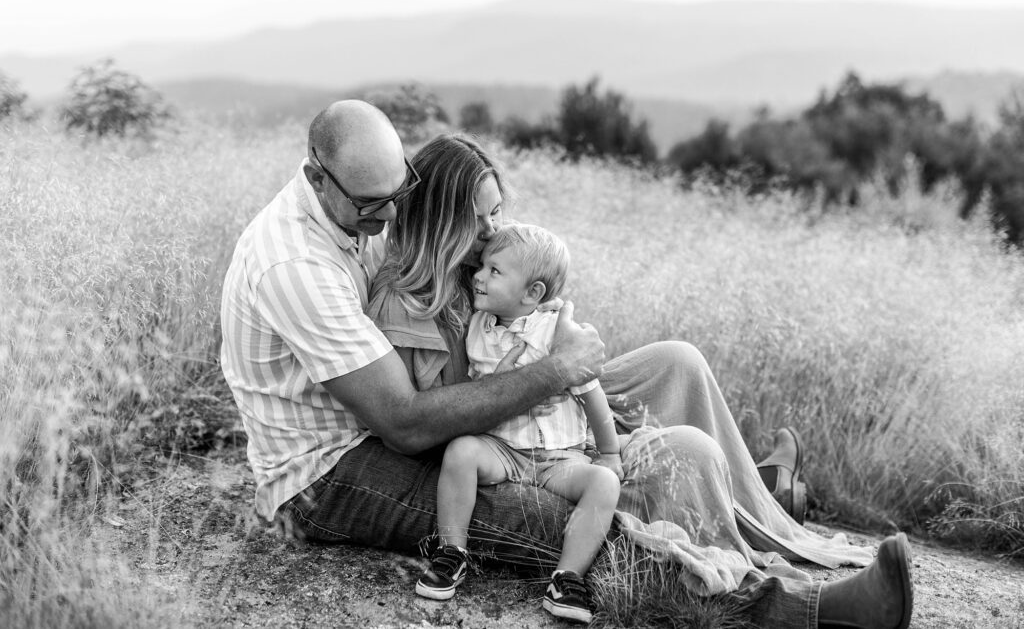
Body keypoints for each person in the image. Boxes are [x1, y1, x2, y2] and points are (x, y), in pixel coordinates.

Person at [220, 101, 914, 629]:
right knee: (572, 529)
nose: (386, 218)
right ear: (319, 176)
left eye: (398, 196)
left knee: (670, 366)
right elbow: (406, 422)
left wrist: (550, 338)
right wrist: (560, 376)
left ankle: (748, 499)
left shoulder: (367, 212)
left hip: (442, 415)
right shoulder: (297, 264)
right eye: (374, 208)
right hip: (335, 469)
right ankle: (808, 609)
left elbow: (450, 280)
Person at [416, 223, 622, 623]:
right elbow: (474, 393)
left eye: (495, 271)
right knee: (460, 451)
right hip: (503, 449)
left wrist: (609, 452)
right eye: (483, 266)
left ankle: (567, 579)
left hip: (558, 457)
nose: (478, 275)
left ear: (533, 293)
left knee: (604, 482)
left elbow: (591, 392)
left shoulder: (557, 333)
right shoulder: (478, 325)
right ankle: (451, 552)